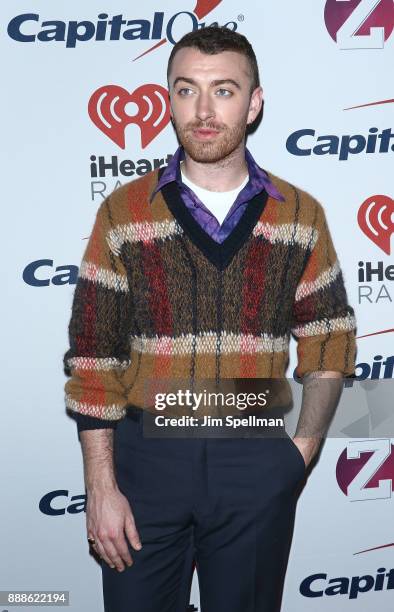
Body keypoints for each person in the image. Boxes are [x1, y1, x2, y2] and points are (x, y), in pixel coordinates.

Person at [63, 25, 357, 612]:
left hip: (256, 449)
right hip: (146, 457)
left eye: (223, 90)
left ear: (254, 103)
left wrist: (299, 452)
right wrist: (100, 483)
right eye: (185, 89)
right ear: (167, 99)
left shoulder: (300, 214)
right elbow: (95, 355)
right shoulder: (124, 211)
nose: (203, 110)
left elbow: (330, 343)